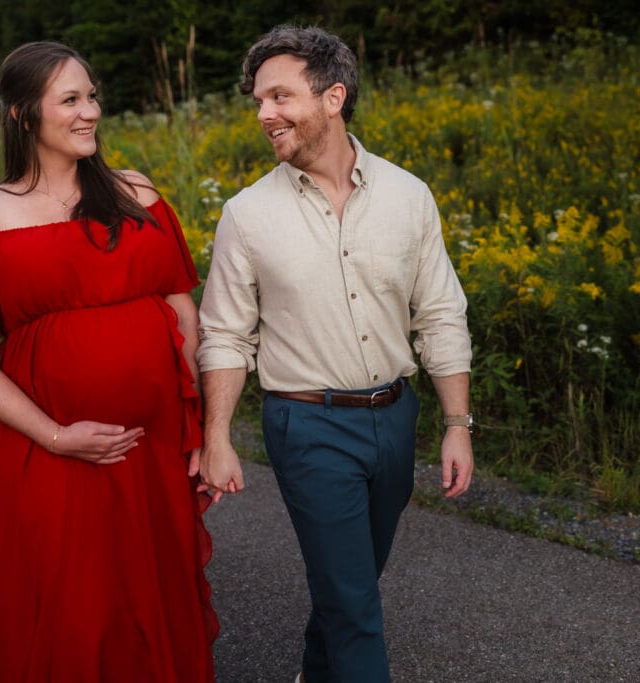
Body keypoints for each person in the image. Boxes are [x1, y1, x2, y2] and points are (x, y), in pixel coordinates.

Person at [0, 41, 217, 681]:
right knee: (70, 601)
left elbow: (184, 311)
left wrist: (197, 428)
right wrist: (56, 436)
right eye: (70, 100)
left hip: (155, 441)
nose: (90, 113)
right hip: (51, 448)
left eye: (92, 97)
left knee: (154, 589)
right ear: (22, 114)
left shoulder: (136, 193)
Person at [197, 25, 474, 683]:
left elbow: (439, 312)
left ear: (333, 96)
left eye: (279, 96)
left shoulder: (409, 195)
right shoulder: (247, 214)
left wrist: (458, 424)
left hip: (394, 416)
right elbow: (225, 335)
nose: (264, 114)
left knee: (351, 580)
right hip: (306, 424)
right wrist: (217, 435)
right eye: (259, 101)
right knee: (354, 603)